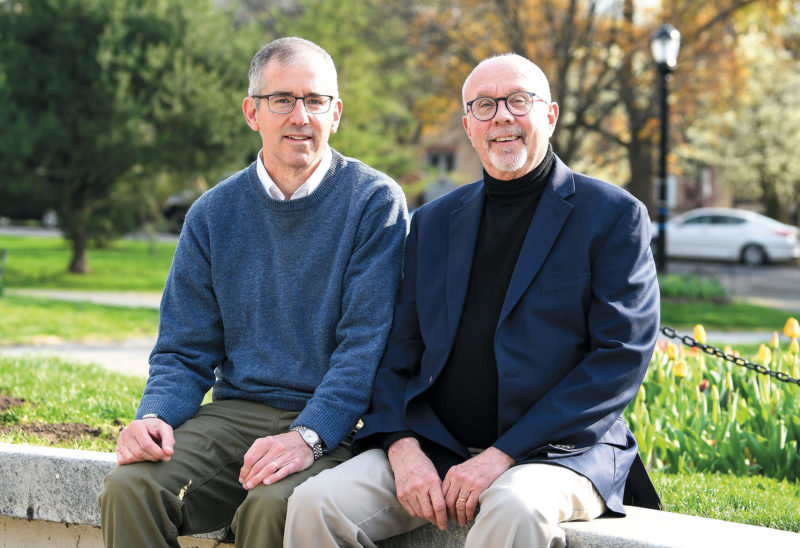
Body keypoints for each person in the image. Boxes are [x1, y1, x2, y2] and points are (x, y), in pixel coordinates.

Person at [284, 53, 660, 547]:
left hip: (559, 453)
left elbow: (619, 359)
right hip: (439, 445)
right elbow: (398, 352)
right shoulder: (435, 223)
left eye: (518, 101)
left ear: (549, 115)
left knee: (513, 507)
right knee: (316, 503)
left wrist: (502, 454)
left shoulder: (612, 216)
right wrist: (401, 446)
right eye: (484, 105)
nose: (501, 116)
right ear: (468, 125)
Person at [98, 36, 408, 548]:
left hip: (337, 420)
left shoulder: (374, 203)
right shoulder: (213, 213)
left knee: (273, 508)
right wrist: (152, 418)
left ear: (336, 114)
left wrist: (309, 434)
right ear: (252, 112)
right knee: (129, 488)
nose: (300, 116)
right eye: (282, 100)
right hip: (237, 411)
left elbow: (365, 346)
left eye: (315, 101)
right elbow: (183, 349)